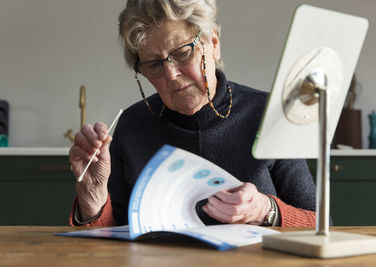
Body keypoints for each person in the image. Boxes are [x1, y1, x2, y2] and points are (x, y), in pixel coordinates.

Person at [69, 0, 316, 227]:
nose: (171, 74)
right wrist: (93, 196)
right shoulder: (132, 126)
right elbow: (112, 237)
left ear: (214, 45)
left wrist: (265, 210)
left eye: (182, 53)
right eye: (154, 64)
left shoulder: (268, 114)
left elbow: (317, 222)